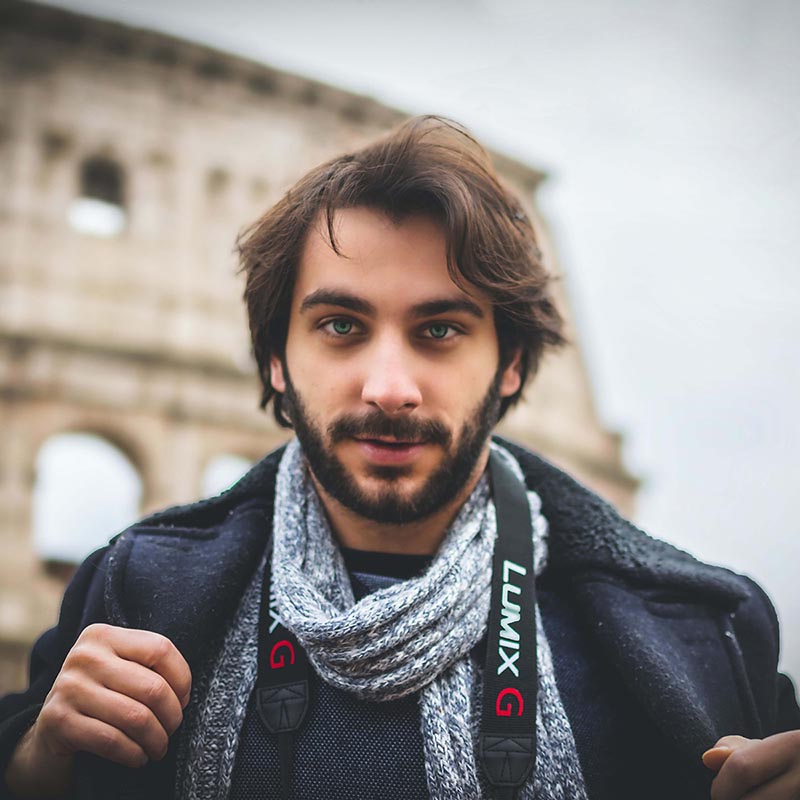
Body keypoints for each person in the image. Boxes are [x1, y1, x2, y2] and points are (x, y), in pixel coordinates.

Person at [1, 116, 798, 800]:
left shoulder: (707, 635)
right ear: (275, 359)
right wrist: (37, 764)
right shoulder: (131, 592)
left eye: (439, 330)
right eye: (341, 326)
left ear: (510, 363)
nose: (389, 389)